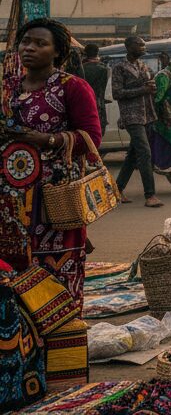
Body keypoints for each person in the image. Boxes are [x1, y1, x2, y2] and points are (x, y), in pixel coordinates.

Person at [0, 18, 103, 308]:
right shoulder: (8, 88)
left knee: (57, 272)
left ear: (57, 51)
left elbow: (92, 138)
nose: (29, 48)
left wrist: (47, 140)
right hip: (9, 202)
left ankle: (60, 332)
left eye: (40, 43)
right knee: (12, 275)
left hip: (54, 201)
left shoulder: (73, 87)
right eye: (25, 42)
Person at [111, 36, 163, 208]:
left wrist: (152, 88)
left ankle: (116, 190)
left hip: (146, 114)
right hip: (131, 115)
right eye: (139, 45)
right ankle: (150, 195)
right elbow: (117, 93)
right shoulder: (119, 67)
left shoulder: (143, 65)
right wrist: (143, 89)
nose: (143, 47)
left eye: (144, 45)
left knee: (133, 155)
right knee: (145, 153)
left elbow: (149, 88)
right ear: (128, 47)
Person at [79, 43, 109, 130]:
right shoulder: (104, 68)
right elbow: (102, 89)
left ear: (85, 53)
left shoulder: (80, 68)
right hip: (98, 105)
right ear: (97, 53)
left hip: (84, 105)